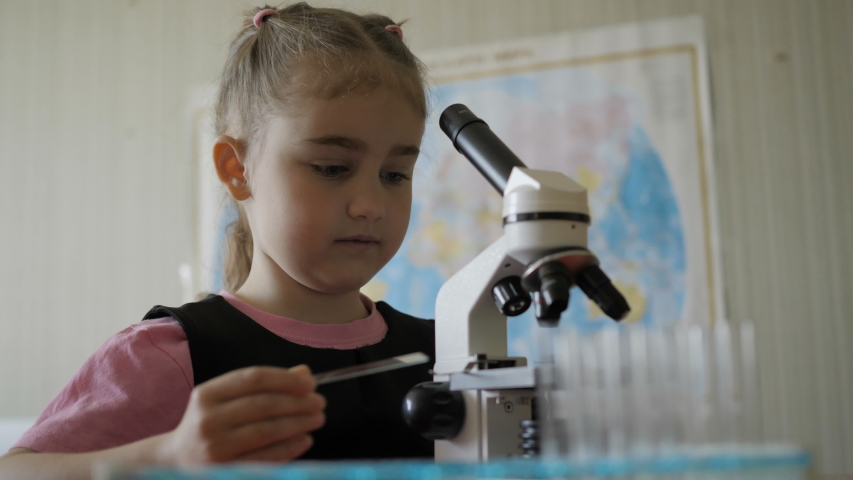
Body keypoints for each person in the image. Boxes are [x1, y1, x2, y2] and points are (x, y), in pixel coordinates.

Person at [0, 3, 434, 477]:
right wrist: (166, 456)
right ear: (237, 169)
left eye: (395, 174)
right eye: (331, 168)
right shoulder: (170, 353)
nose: (370, 204)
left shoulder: (448, 351)